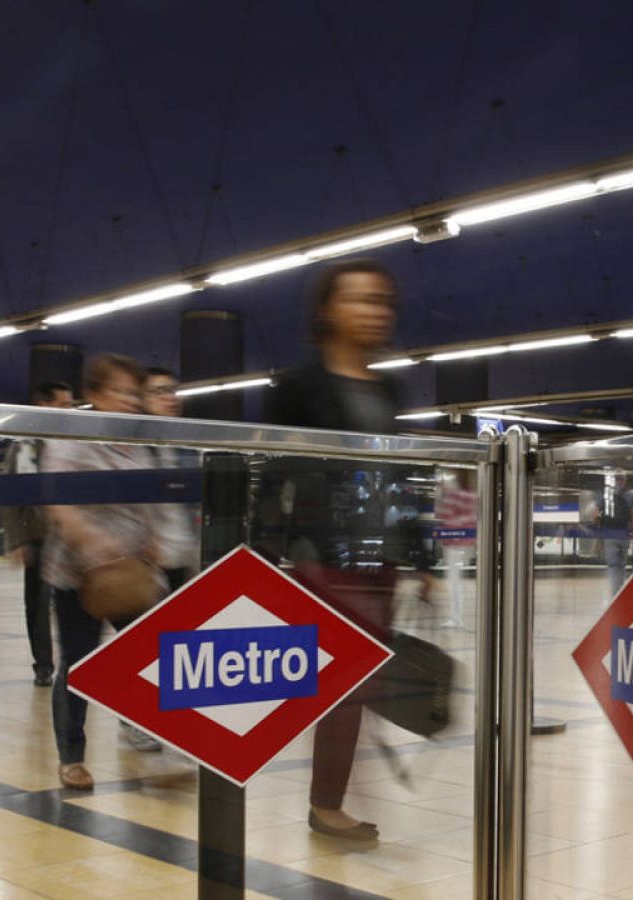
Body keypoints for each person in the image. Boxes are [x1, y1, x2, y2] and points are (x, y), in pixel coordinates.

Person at [257, 258, 433, 843]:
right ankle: (327, 804)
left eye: (382, 301)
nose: (374, 311)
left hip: (379, 557)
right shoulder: (298, 387)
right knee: (345, 680)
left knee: (361, 679)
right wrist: (262, 557)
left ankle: (331, 794)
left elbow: (400, 477)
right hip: (322, 556)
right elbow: (275, 474)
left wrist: (421, 557)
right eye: (360, 299)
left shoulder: (387, 389)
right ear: (327, 309)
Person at [41, 355, 167, 789]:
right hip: (79, 574)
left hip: (131, 571)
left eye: (135, 393)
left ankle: (144, 731)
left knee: (148, 656)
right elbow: (58, 502)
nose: (130, 401)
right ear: (93, 394)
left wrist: (152, 539)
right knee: (78, 663)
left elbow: (148, 497)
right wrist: (94, 543)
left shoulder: (137, 442)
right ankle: (71, 756)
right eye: (119, 391)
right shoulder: (72, 438)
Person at [2, 380, 74, 686]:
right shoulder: (24, 445)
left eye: (71, 405)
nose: (69, 411)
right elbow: (10, 494)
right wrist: (17, 539)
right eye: (63, 405)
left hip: (73, 535)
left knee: (74, 602)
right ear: (44, 405)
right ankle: (43, 665)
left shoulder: (76, 441)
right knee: (38, 604)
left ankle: (75, 660)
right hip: (38, 536)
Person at [140, 367, 197, 592]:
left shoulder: (185, 444)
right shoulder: (135, 447)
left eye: (172, 390)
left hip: (183, 553)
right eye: (159, 391)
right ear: (141, 399)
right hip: (149, 558)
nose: (170, 397)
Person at [434, 470, 477, 628]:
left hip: (454, 542)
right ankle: (457, 617)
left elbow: (443, 514)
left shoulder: (454, 494)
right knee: (458, 581)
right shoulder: (472, 494)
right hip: (466, 542)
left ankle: (456, 618)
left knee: (454, 581)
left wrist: (440, 495)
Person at [586, 473, 633, 596]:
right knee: (622, 564)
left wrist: (598, 525)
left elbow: (594, 513)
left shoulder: (606, 495)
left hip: (610, 535)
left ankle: (614, 591)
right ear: (624, 481)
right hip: (624, 534)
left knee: (612, 564)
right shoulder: (631, 495)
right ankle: (620, 588)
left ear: (614, 480)